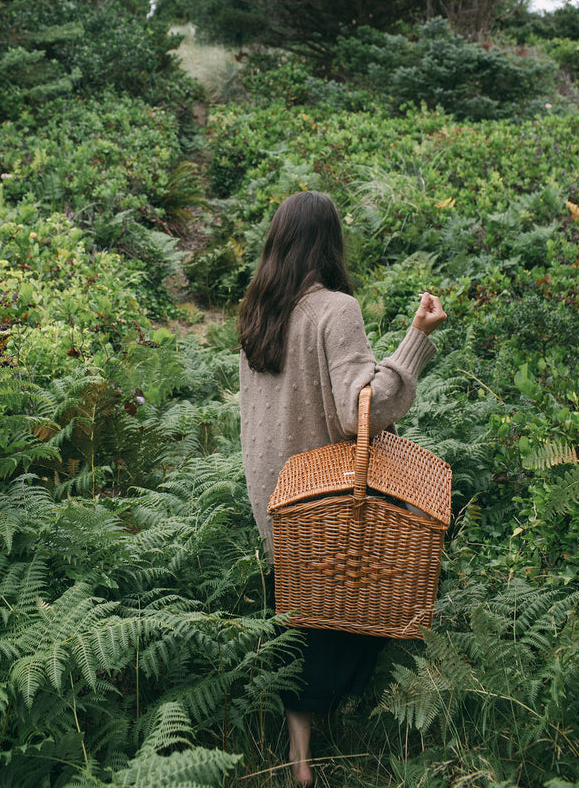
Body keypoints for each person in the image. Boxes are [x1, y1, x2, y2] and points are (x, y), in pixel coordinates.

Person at [238, 191, 447, 788]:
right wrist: (415, 340)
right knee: (370, 601)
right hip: (330, 498)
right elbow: (364, 407)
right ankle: (356, 721)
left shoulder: (258, 312)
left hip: (277, 500)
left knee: (300, 618)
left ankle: (300, 762)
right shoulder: (336, 309)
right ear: (330, 242)